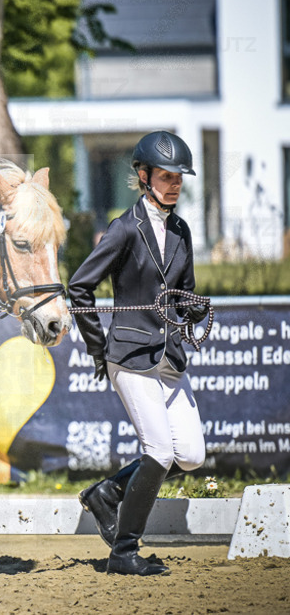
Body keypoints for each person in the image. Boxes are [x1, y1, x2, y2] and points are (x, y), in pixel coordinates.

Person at [68, 130, 209, 576]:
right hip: (128, 356)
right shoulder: (124, 228)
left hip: (167, 357)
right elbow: (79, 287)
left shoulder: (183, 231)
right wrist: (97, 347)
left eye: (178, 178)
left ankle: (107, 493)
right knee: (160, 451)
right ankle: (123, 553)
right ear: (144, 177)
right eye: (166, 176)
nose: (173, 185)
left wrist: (191, 309)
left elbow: (182, 291)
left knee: (190, 455)